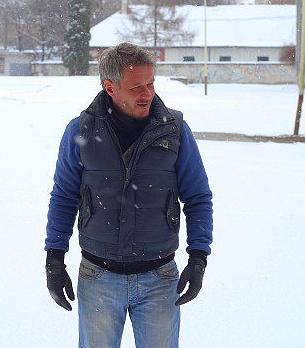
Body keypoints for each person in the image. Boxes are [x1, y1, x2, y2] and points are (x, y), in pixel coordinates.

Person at [44, 42, 214, 348]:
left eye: (150, 84)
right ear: (110, 87)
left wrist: (198, 258)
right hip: (98, 278)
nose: (148, 93)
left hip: (160, 279)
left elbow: (198, 196)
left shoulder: (174, 131)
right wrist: (54, 260)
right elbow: (64, 197)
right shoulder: (80, 131)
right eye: (137, 86)